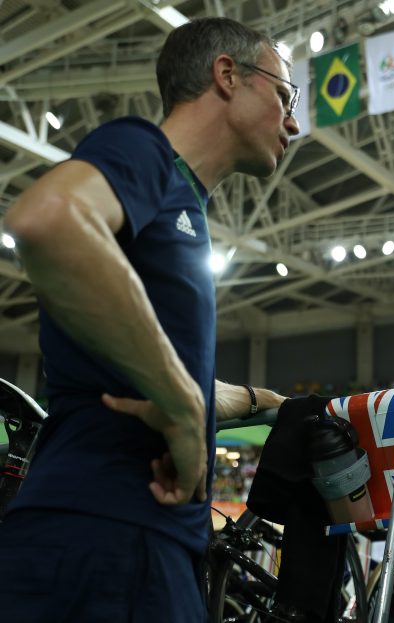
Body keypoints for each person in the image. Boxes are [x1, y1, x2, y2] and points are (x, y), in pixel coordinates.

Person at [0, 17, 296, 621]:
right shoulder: (144, 149)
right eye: (284, 95)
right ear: (227, 75)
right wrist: (187, 410)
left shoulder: (182, 208)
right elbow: (48, 218)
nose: (293, 121)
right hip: (104, 537)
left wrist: (243, 399)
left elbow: (140, 371)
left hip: (139, 544)